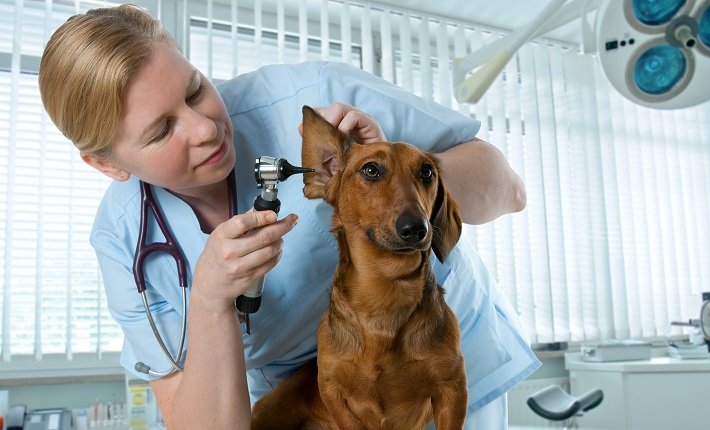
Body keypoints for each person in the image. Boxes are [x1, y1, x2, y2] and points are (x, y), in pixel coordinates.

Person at [39, 4, 539, 429]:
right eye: (162, 130)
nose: (205, 129)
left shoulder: (317, 101)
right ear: (106, 164)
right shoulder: (125, 243)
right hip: (317, 399)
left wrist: (393, 180)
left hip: (433, 367)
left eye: (194, 91)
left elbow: (508, 190)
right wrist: (211, 299)